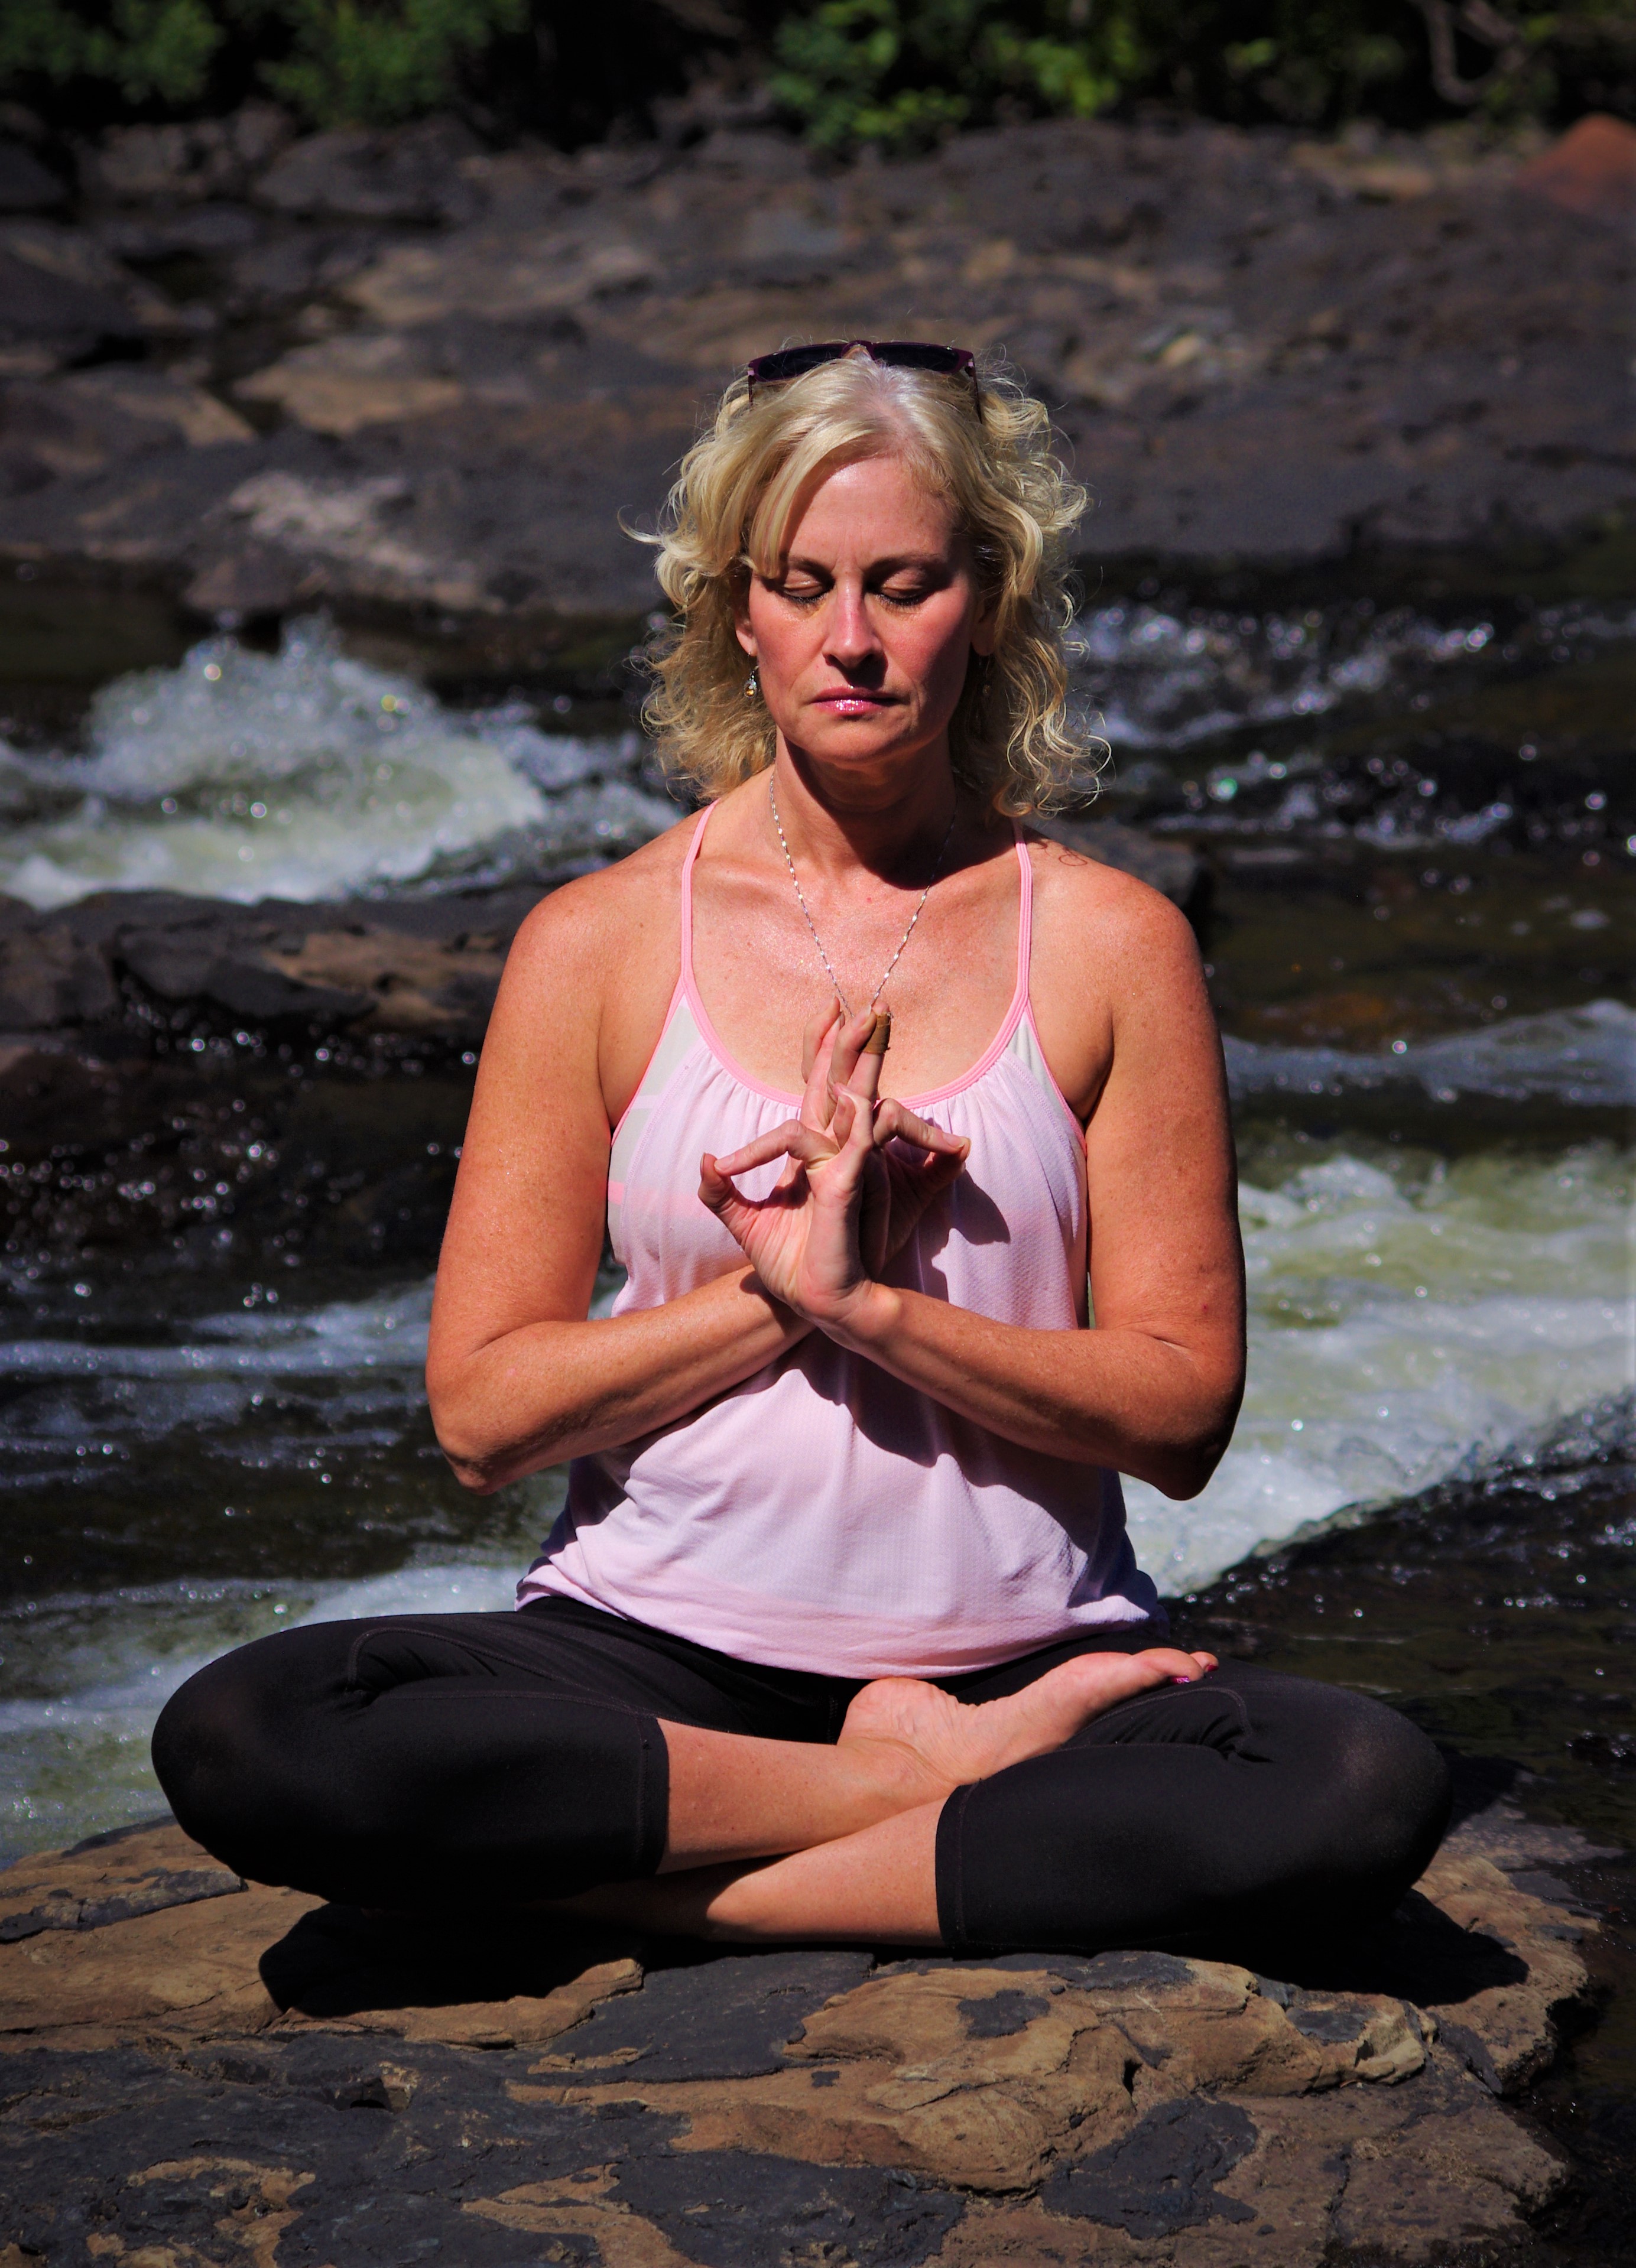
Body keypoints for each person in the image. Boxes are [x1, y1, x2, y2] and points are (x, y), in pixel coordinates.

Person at [153, 341, 1449, 1954]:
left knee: (1352, 1782)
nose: (851, 640)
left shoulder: (1114, 945)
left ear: (989, 597)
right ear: (734, 607)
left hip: (1020, 1658)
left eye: (902, 584)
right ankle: (905, 1807)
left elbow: (1181, 1412)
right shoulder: (599, 943)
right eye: (805, 584)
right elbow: (486, 1416)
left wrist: (881, 1311)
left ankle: (666, 1897)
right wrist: (779, 1296)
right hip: (655, 1654)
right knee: (257, 1729)